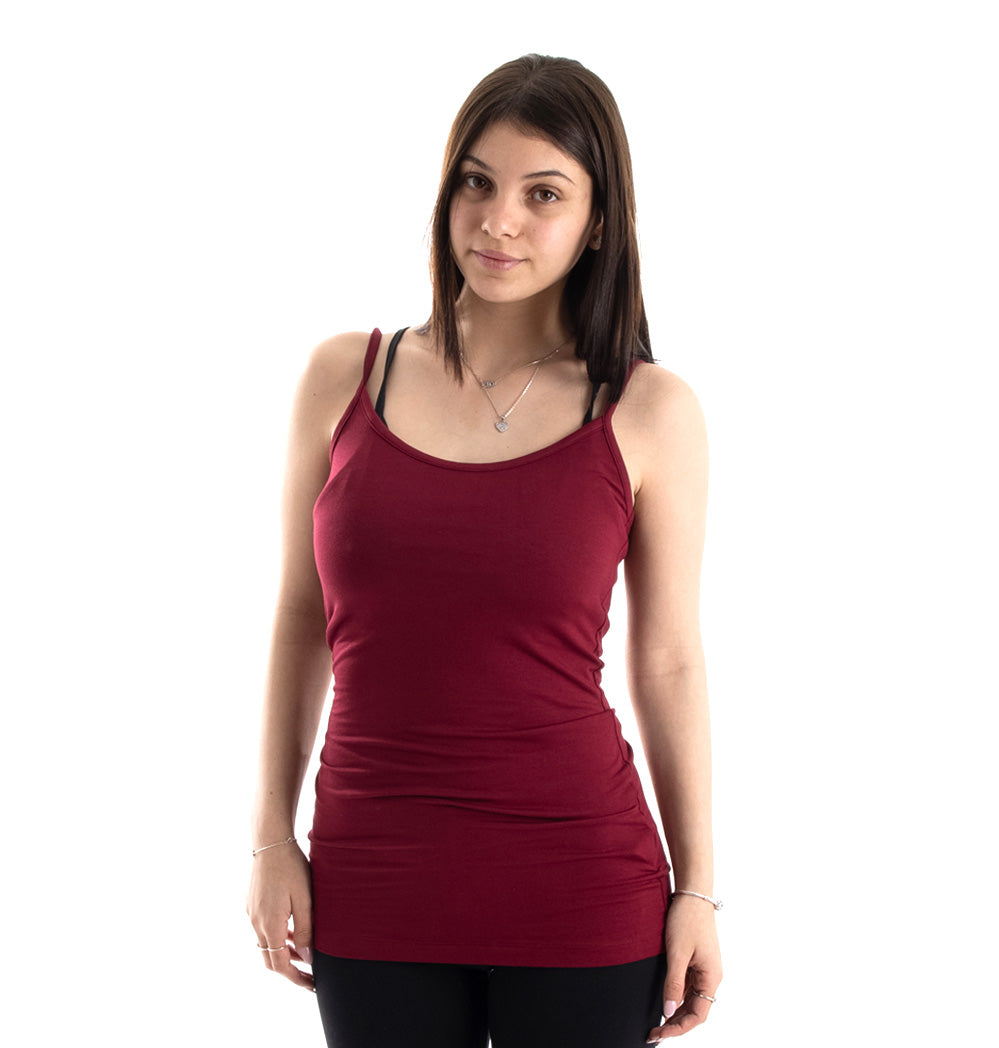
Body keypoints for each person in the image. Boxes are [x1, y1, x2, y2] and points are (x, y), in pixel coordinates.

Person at [247, 54, 721, 1048]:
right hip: (374, 872)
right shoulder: (344, 376)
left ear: (598, 221)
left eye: (542, 193)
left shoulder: (647, 409)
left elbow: (669, 659)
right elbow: (299, 616)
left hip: (583, 879)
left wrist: (698, 889)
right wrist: (269, 837)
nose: (498, 220)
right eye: (477, 181)